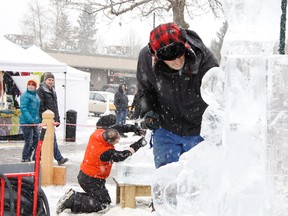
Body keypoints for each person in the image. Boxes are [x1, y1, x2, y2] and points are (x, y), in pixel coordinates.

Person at [136, 23, 219, 169]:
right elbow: (145, 90)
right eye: (170, 58)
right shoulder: (146, 59)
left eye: (179, 54)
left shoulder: (203, 57)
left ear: (184, 44)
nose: (177, 61)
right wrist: (148, 110)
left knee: (197, 182)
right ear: (157, 56)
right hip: (166, 129)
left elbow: (218, 95)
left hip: (198, 130)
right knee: (166, 182)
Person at [56, 114, 147, 214]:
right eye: (116, 142)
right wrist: (138, 144)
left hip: (88, 175)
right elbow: (123, 155)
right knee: (103, 204)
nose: (118, 142)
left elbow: (119, 127)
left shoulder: (100, 133)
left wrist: (134, 129)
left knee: (101, 199)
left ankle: (73, 196)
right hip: (91, 180)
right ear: (110, 142)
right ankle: (74, 199)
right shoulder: (105, 152)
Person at [37, 72, 68, 165]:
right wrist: (42, 118)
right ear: (45, 80)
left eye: (52, 80)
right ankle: (58, 158)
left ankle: (37, 156)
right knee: (50, 139)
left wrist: (57, 118)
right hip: (45, 119)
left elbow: (55, 106)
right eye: (49, 80)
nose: (51, 82)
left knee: (45, 139)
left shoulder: (53, 91)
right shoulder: (41, 90)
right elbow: (40, 106)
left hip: (52, 118)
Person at [20, 79, 40, 162]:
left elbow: (36, 110)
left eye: (32, 84)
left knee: (37, 139)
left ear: (35, 86)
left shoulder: (36, 96)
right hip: (26, 122)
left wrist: (38, 120)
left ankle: (30, 155)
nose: (30, 86)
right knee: (29, 140)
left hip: (34, 121)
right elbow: (23, 108)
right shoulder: (25, 95)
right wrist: (30, 120)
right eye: (29, 84)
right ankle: (25, 157)